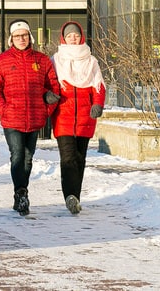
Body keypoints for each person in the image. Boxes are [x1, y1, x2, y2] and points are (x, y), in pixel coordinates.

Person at [0, 20, 60, 216]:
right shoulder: (2, 60)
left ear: (30, 37)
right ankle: (21, 193)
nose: (21, 39)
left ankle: (21, 193)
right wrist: (4, 109)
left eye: (24, 35)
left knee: (28, 158)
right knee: (17, 155)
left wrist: (46, 111)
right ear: (11, 39)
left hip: (35, 117)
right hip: (12, 118)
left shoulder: (42, 61)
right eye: (17, 36)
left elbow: (54, 88)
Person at [51, 21, 106, 215]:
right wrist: (48, 95)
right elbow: (48, 83)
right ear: (63, 38)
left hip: (85, 117)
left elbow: (99, 85)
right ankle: (70, 196)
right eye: (69, 36)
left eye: (75, 35)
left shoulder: (91, 61)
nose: (73, 38)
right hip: (62, 117)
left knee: (80, 158)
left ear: (81, 36)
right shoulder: (56, 60)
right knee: (68, 159)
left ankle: (76, 197)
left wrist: (98, 104)